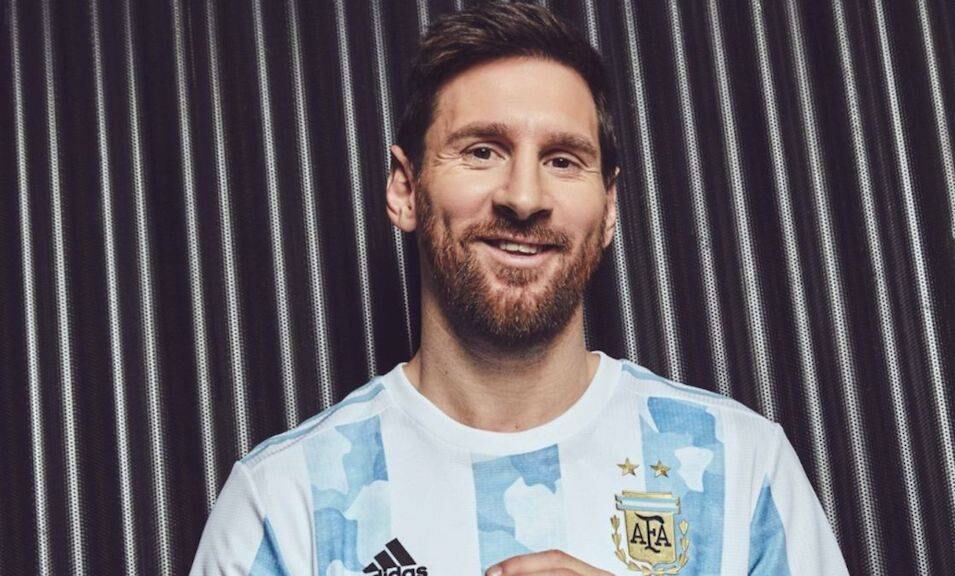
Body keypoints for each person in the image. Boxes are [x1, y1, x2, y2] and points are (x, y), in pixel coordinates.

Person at [190, 3, 848, 575]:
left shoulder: (744, 472)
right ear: (405, 188)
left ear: (609, 207)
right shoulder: (284, 505)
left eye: (562, 160)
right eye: (482, 151)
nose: (525, 197)